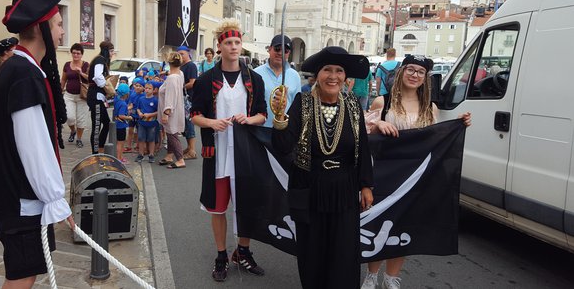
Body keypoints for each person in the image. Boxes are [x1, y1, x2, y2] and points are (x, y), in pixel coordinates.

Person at [0, 0, 75, 288]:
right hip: (21, 199)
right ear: (41, 28)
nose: (63, 32)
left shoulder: (20, 69)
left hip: (16, 194)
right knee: (22, 276)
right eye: (59, 24)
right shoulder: (23, 73)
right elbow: (33, 146)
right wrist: (56, 200)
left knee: (26, 273)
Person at [362, 55, 472, 289]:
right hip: (385, 174)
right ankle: (372, 275)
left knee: (403, 225)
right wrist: (377, 124)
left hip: (414, 177)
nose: (414, 75)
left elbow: (434, 138)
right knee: (382, 222)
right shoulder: (382, 102)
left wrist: (459, 123)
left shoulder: (429, 107)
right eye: (410, 70)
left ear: (425, 79)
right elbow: (364, 137)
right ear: (401, 72)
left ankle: (392, 278)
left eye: (420, 72)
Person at [270, 46, 374, 289]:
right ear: (317, 74)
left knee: (344, 251)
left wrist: (366, 185)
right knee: (312, 251)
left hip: (345, 189)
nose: (333, 76)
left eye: (339, 71)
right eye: (327, 70)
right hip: (310, 187)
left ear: (345, 77)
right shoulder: (302, 102)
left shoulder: (353, 106)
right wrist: (280, 116)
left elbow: (364, 148)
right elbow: (283, 146)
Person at [191, 19, 267, 282]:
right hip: (217, 152)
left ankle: (242, 251)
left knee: (245, 206)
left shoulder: (253, 79)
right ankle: (222, 254)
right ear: (219, 46)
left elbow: (262, 114)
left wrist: (250, 119)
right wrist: (212, 122)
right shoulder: (205, 80)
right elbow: (195, 115)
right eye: (228, 43)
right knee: (218, 208)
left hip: (245, 154)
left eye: (237, 42)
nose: (233, 47)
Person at [254, 34, 302, 128]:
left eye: (285, 50)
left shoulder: (295, 76)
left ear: (289, 53)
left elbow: (297, 106)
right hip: (260, 129)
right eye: (277, 49)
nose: (280, 53)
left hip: (285, 129)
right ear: (269, 49)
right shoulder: (256, 73)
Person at [157, 52, 186, 169]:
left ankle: (180, 159)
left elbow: (170, 96)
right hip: (177, 108)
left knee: (172, 134)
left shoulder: (171, 78)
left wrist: (166, 113)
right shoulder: (180, 74)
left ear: (169, 63)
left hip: (171, 111)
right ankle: (169, 155)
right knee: (170, 133)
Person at [88, 41, 115, 154]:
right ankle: (95, 153)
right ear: (106, 51)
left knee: (107, 123)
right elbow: (97, 77)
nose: (113, 54)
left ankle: (100, 148)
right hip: (96, 97)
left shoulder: (101, 60)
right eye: (111, 51)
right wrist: (106, 86)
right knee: (97, 125)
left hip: (100, 97)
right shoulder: (99, 60)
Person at [60, 43, 90, 148]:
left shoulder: (86, 65)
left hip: (82, 96)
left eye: (78, 53)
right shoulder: (67, 64)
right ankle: (73, 131)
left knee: (81, 119)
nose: (76, 55)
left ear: (82, 54)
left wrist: (81, 72)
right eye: (74, 53)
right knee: (69, 117)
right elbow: (64, 79)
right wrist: (60, 91)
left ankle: (79, 138)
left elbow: (90, 78)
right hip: (69, 95)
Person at [178, 45, 198, 159]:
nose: (181, 56)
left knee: (189, 123)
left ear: (188, 54)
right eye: (179, 54)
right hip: (183, 98)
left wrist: (179, 87)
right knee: (185, 124)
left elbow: (192, 82)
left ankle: (192, 151)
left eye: (182, 54)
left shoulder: (191, 66)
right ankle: (189, 147)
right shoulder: (182, 66)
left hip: (188, 99)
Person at [135, 82, 159, 163]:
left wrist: (150, 114)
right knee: (141, 138)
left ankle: (151, 154)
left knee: (151, 139)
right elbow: (138, 108)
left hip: (152, 123)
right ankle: (141, 154)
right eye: (146, 88)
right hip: (142, 122)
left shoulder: (155, 100)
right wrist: (139, 113)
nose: (147, 90)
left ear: (153, 90)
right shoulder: (141, 99)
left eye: (149, 88)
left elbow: (158, 112)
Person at [113, 83, 133, 164]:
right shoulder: (123, 103)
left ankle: (120, 157)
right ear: (126, 94)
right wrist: (129, 117)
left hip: (116, 124)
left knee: (119, 142)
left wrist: (128, 108)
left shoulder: (117, 100)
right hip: (121, 125)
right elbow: (121, 115)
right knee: (120, 143)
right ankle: (119, 158)